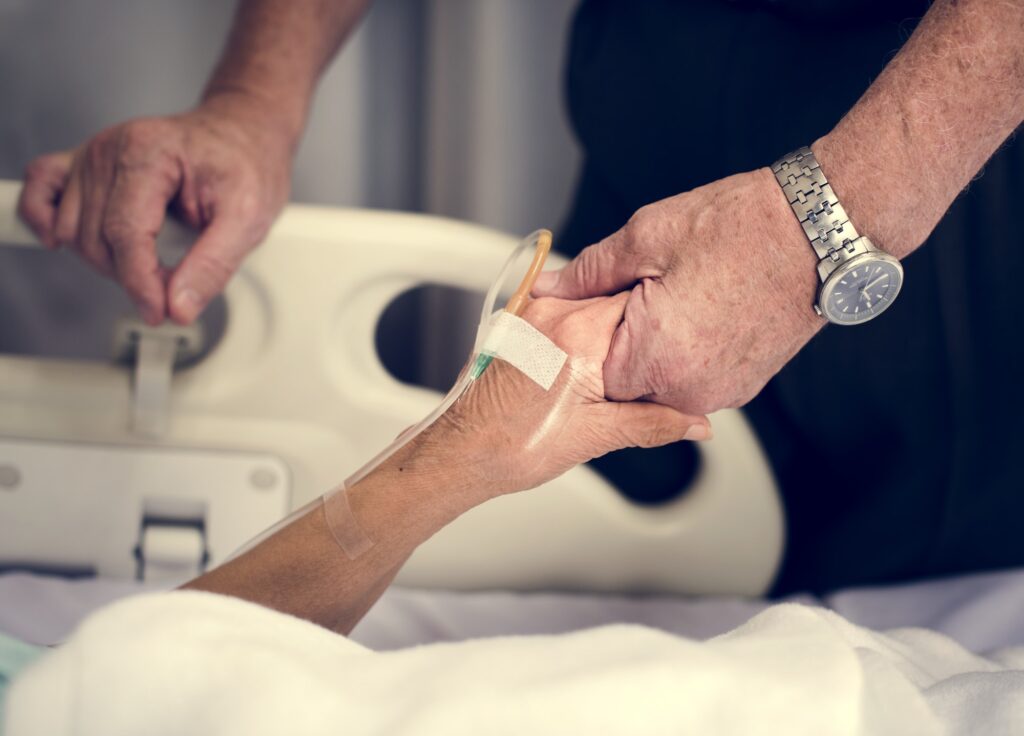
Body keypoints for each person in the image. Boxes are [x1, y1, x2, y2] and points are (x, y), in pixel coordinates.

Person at [17, 0, 1024, 594]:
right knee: (615, 573)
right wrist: (252, 99)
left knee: (920, 631)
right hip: (660, 107)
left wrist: (826, 222)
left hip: (941, 180)